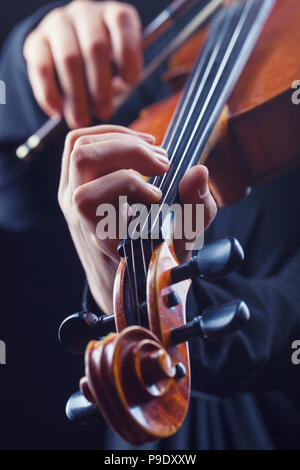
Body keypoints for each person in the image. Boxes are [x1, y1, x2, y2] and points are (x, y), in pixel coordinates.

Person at [0, 0, 300, 450]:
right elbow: (14, 191)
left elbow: (279, 326)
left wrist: (136, 289)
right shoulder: (195, 34)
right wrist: (32, 66)